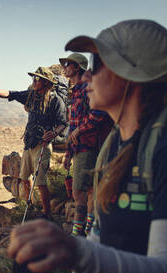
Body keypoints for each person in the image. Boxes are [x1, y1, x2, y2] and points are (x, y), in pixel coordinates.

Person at [7, 19, 167, 273]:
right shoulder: (116, 144)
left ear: (133, 74)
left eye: (99, 65)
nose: (87, 75)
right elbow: (101, 233)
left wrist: (74, 253)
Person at [0, 67, 67, 217]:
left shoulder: (55, 101)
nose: (34, 81)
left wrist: (53, 133)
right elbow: (9, 94)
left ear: (46, 82)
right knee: (24, 178)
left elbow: (62, 122)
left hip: (43, 146)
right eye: (33, 78)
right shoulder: (31, 96)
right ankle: (31, 206)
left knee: (40, 181)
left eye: (37, 79)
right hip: (29, 143)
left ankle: (47, 214)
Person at [59, 53, 113, 236]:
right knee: (88, 190)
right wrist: (68, 153)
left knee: (79, 192)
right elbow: (73, 124)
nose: (65, 67)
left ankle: (79, 233)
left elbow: (99, 114)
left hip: (88, 145)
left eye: (68, 64)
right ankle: (88, 231)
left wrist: (79, 131)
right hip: (79, 147)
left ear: (77, 67)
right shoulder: (75, 91)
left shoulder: (86, 89)